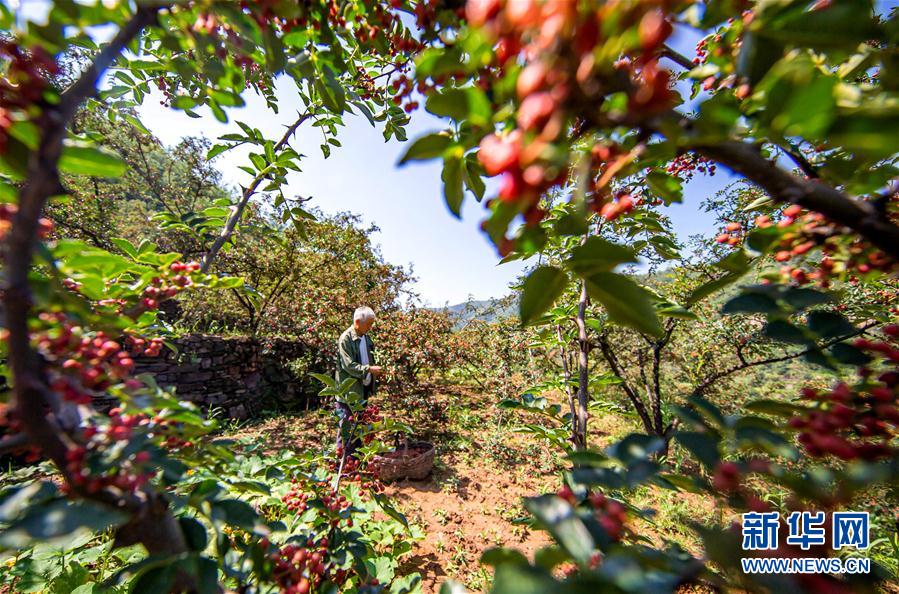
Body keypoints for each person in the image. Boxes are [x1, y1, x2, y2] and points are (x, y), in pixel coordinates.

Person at [334, 306, 382, 455]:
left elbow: (370, 356)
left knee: (359, 426)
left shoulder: (366, 337)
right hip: (349, 393)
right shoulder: (346, 339)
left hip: (362, 390)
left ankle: (355, 460)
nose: (370, 327)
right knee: (346, 429)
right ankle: (341, 464)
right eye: (368, 324)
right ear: (357, 322)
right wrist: (369, 369)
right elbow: (348, 366)